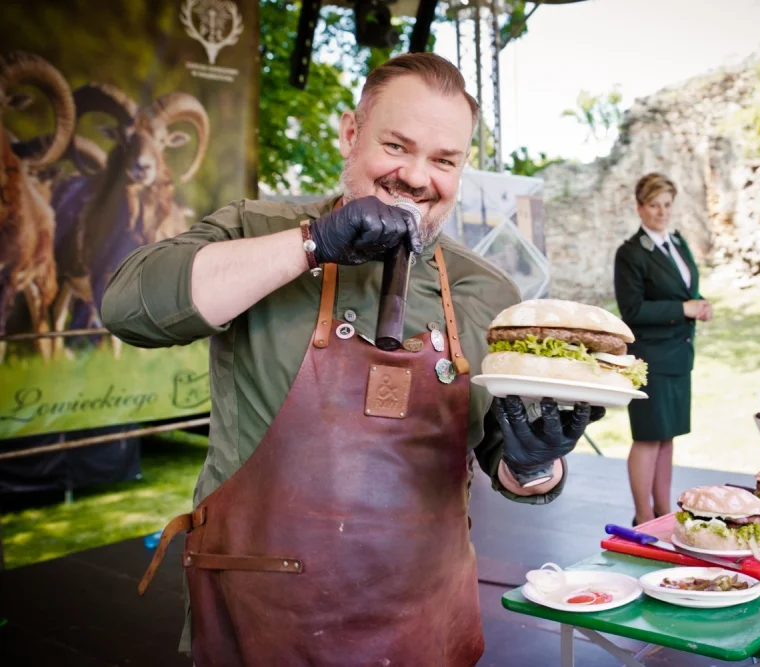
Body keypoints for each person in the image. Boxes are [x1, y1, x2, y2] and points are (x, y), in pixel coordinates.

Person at [101, 53, 602, 666]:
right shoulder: (257, 229)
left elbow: (502, 452)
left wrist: (534, 464)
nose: (417, 177)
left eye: (444, 160)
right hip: (259, 620)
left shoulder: (486, 292)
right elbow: (129, 306)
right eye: (396, 145)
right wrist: (316, 242)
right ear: (349, 133)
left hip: (422, 623)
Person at [614, 173, 711, 526]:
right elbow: (632, 311)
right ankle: (642, 516)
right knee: (648, 438)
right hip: (650, 357)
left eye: (667, 204)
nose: (661, 212)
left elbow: (682, 291)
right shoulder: (630, 253)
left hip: (678, 354)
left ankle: (663, 511)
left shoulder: (679, 243)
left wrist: (699, 304)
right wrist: (682, 310)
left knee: (667, 437)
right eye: (654, 205)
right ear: (640, 207)